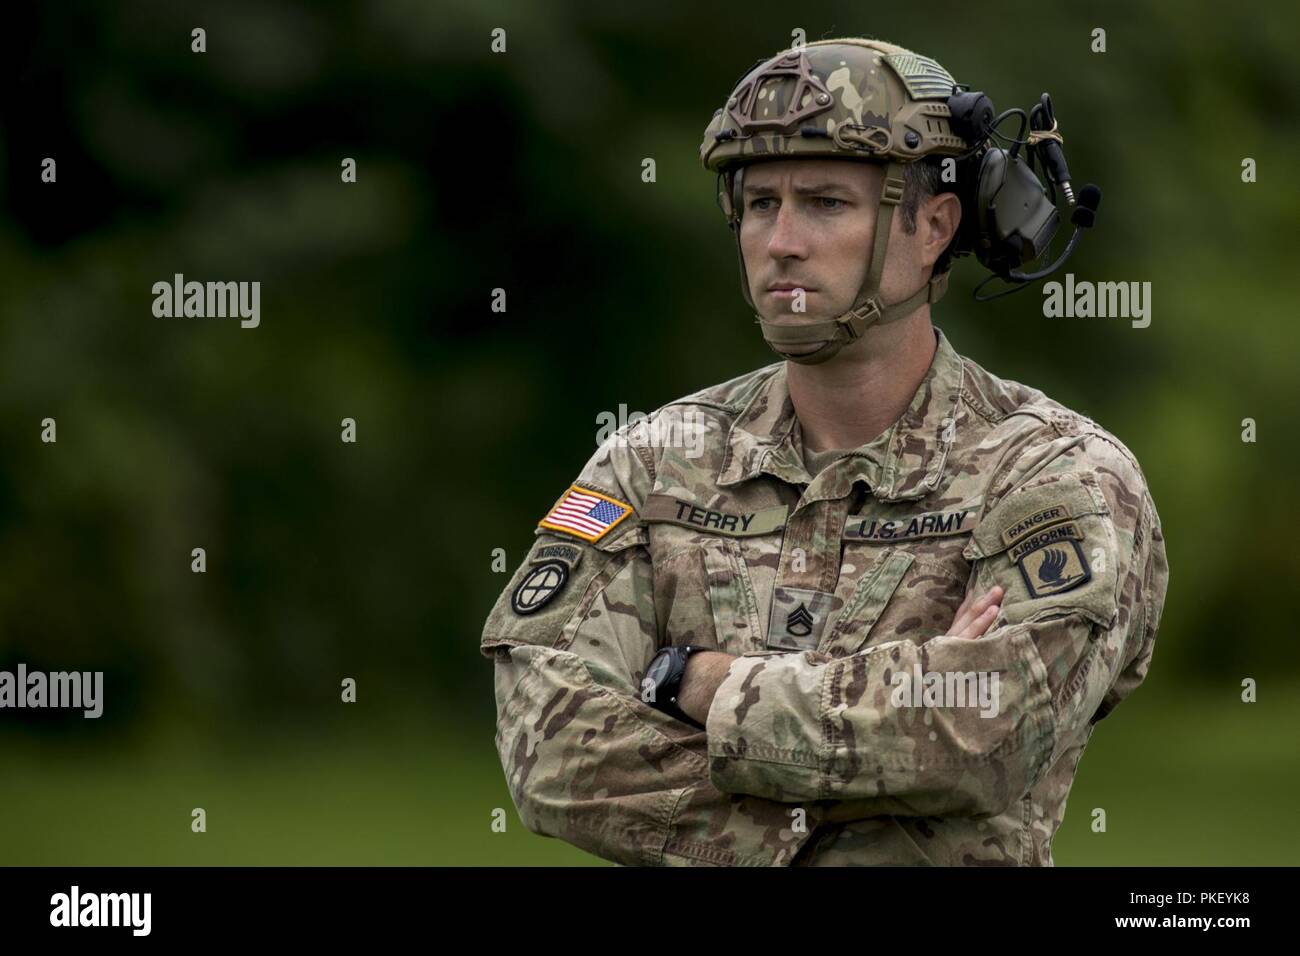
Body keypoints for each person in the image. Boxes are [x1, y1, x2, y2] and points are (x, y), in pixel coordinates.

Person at [480, 36, 1169, 866]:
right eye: (760, 203)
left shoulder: (1058, 473)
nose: (781, 242)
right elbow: (550, 753)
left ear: (934, 228)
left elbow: (985, 735)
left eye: (826, 204)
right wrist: (874, 788)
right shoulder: (653, 460)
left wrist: (690, 682)